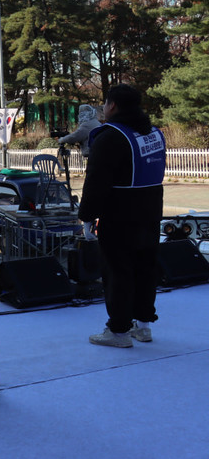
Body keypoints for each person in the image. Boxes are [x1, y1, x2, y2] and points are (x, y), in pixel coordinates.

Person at [79, 84, 165, 347]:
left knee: (118, 270)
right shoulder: (154, 133)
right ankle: (143, 325)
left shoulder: (110, 136)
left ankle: (118, 331)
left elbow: (96, 181)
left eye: (104, 104)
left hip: (120, 211)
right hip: (151, 208)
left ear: (112, 105)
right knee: (145, 267)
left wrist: (87, 216)